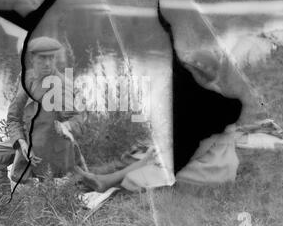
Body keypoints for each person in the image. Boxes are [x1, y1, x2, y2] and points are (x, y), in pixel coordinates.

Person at [76, 49, 256, 192]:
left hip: (212, 169)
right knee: (150, 157)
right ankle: (105, 181)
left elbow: (198, 150)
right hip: (201, 161)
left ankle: (108, 181)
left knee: (139, 176)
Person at [0, 36, 83, 197]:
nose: (47, 63)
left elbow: (76, 120)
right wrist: (21, 142)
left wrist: (66, 126)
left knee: (42, 193)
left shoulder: (61, 85)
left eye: (51, 58)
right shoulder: (25, 79)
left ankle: (41, 195)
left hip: (50, 146)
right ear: (32, 59)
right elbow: (13, 118)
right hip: (27, 141)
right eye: (42, 58)